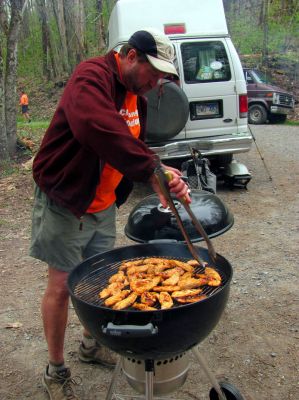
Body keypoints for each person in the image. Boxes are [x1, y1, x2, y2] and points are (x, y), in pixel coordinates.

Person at [29, 28, 190, 400]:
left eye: (163, 77)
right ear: (130, 56)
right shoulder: (91, 76)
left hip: (102, 203)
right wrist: (151, 170)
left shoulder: (140, 99)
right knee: (61, 286)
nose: (155, 82)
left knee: (101, 282)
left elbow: (130, 145)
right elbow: (97, 127)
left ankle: (91, 345)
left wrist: (159, 172)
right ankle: (56, 371)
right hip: (67, 199)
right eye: (153, 72)